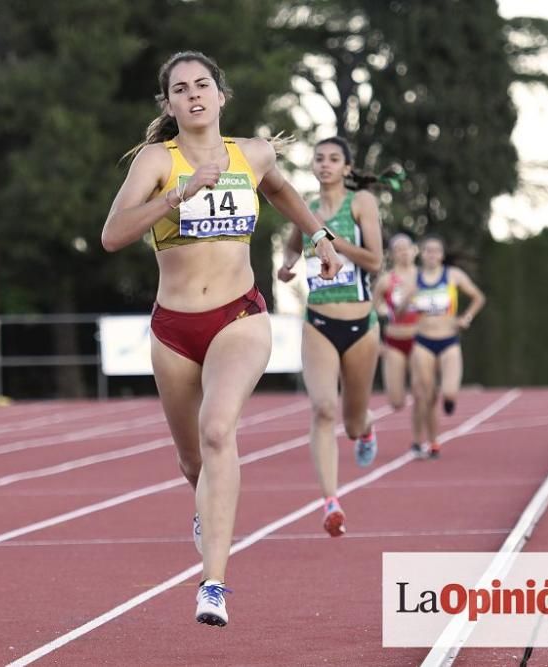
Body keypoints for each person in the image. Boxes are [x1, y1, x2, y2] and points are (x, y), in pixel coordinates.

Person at [102, 51, 341, 627]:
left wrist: (319, 236)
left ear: (221, 95)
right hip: (173, 328)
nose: (194, 95)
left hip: (239, 316)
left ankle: (214, 584)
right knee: (193, 462)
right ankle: (203, 507)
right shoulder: (158, 161)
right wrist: (178, 195)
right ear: (169, 104)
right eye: (180, 89)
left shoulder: (251, 154)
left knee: (217, 431)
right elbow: (112, 235)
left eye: (202, 85)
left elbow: (282, 191)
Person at [277, 137, 383, 538]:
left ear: (347, 168)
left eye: (333, 159)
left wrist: (331, 242)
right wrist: (286, 267)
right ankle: (331, 502)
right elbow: (290, 247)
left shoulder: (361, 204)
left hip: (360, 325)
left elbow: (376, 260)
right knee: (323, 409)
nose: (324, 165)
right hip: (317, 321)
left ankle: (367, 427)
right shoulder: (304, 209)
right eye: (319, 159)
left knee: (352, 423)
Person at [398, 235, 485, 459]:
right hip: (423, 341)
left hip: (449, 340)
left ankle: (449, 401)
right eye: (428, 251)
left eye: (436, 251)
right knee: (426, 396)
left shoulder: (453, 275)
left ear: (442, 255)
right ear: (422, 254)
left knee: (448, 392)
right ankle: (433, 441)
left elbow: (478, 297)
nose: (432, 255)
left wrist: (466, 317)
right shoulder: (413, 278)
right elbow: (397, 312)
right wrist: (406, 300)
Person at [372, 233, 422, 450]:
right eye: (398, 249)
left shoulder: (426, 277)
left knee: (420, 392)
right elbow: (371, 312)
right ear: (392, 254)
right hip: (395, 340)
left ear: (414, 250)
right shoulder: (386, 281)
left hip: (421, 340)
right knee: (396, 401)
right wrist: (376, 342)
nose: (403, 252)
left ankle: (418, 441)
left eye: (406, 248)